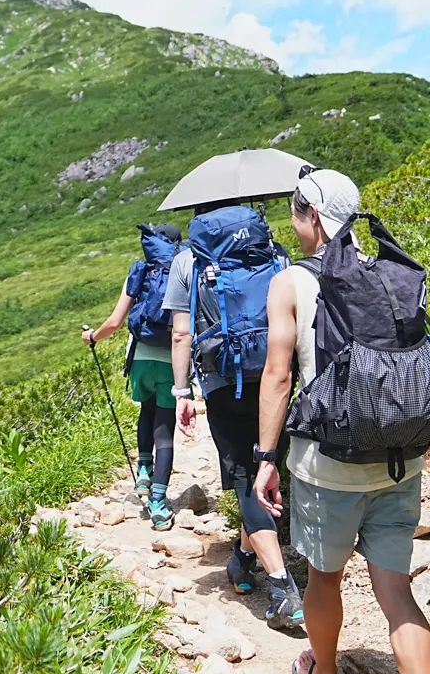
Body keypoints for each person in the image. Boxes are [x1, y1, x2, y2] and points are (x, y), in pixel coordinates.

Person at [252, 169, 430, 674]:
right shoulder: (390, 272)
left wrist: (267, 457)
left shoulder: (291, 281)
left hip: (326, 464)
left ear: (311, 214)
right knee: (396, 591)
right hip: (400, 456)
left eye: (294, 210)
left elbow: (278, 375)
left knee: (324, 578)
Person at [167, 207, 304, 632]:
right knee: (268, 465)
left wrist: (182, 392)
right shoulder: (272, 250)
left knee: (247, 476)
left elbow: (180, 332)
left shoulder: (189, 259)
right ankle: (243, 560)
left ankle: (282, 587)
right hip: (275, 375)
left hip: (223, 380)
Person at [83, 223, 182, 528]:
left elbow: (114, 321)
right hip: (172, 361)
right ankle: (158, 504)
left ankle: (142, 471)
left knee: (145, 410)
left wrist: (93, 337)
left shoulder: (140, 271)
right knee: (164, 429)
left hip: (140, 358)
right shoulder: (185, 268)